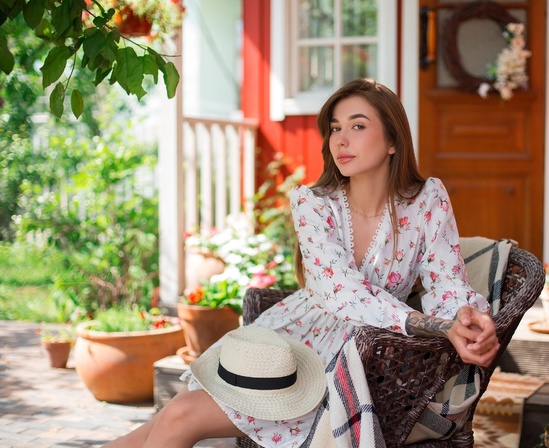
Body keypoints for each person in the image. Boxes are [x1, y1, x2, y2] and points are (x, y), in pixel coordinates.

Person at [103, 78, 499, 448]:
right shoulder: (313, 202)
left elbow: (447, 282)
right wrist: (436, 326)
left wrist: (464, 320)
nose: (340, 140)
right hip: (294, 342)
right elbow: (340, 291)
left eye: (357, 126)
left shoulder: (427, 199)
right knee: (175, 415)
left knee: (178, 415)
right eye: (334, 128)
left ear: (393, 140)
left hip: (365, 355)